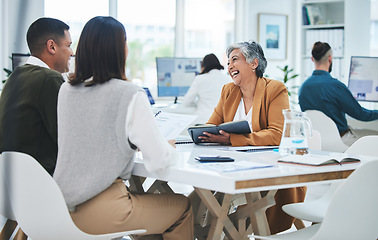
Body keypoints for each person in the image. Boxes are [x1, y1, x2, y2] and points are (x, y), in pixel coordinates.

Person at [53, 16, 193, 239]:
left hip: (61, 209)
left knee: (151, 219)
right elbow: (159, 160)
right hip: (105, 211)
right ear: (119, 50)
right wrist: (169, 149)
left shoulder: (66, 91)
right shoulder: (129, 94)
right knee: (183, 207)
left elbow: (88, 137)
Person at [197, 41, 306, 234]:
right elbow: (212, 125)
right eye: (228, 62)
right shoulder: (228, 91)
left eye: (235, 60)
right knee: (200, 202)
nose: (229, 66)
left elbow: (276, 134)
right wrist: (202, 133)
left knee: (217, 210)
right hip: (232, 169)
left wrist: (232, 139)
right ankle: (198, 230)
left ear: (254, 64)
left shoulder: (275, 90)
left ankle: (222, 231)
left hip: (268, 175)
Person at [0, 17, 73, 175]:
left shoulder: (15, 77)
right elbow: (69, 139)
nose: (72, 53)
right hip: (44, 183)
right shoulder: (49, 79)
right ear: (52, 46)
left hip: (17, 183)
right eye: (69, 45)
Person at [299, 41, 378, 146]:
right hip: (340, 141)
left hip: (315, 142)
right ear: (330, 58)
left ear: (312, 59)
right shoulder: (335, 86)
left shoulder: (303, 88)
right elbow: (360, 114)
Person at [182, 53, 231, 124]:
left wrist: (197, 104)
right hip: (223, 123)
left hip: (203, 122)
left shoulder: (200, 79)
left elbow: (186, 102)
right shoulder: (229, 79)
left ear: (203, 66)